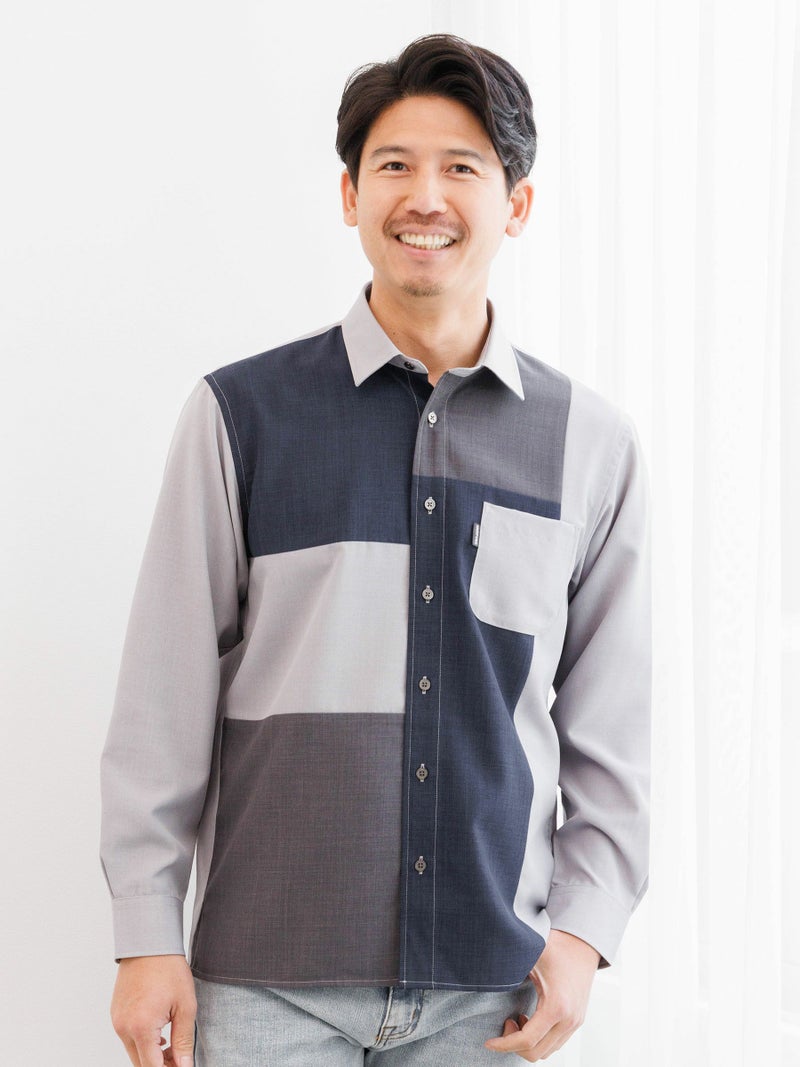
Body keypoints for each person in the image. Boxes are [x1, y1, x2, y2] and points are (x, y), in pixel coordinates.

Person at [101, 32, 651, 1067]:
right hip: (266, 978)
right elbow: (161, 703)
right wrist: (145, 933)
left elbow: (610, 736)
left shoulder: (591, 445)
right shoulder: (239, 416)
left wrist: (583, 933)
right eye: (394, 165)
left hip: (492, 991)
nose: (424, 196)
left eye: (461, 168)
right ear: (350, 195)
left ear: (516, 204)